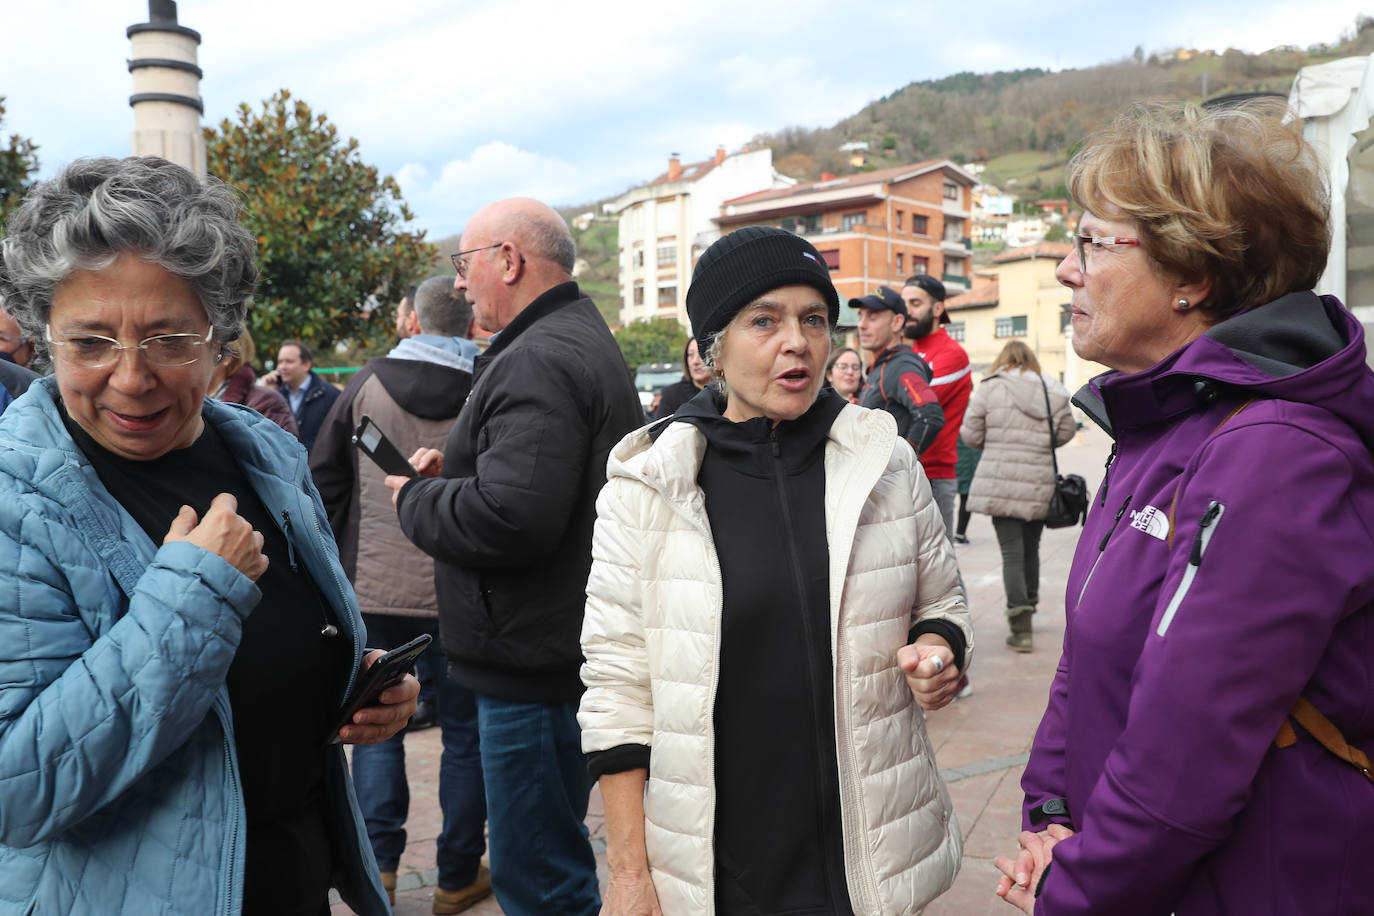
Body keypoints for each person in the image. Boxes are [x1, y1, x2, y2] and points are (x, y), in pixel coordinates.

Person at [0, 155, 416, 916]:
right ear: (41, 338)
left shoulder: (268, 456)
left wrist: (359, 683)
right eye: (90, 342)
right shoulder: (12, 501)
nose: (131, 377)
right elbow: (16, 792)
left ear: (222, 338)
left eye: (169, 338)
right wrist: (190, 598)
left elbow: (270, 661)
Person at [994, 102, 1374, 916]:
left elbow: (1188, 749)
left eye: (1094, 242)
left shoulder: (1272, 451)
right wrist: (1052, 817)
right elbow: (1087, 657)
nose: (1067, 268)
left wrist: (1081, 885)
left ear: (1193, 277)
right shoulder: (1160, 427)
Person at [579, 225, 971, 916]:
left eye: (813, 319)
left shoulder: (884, 463)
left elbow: (941, 603)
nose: (798, 341)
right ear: (712, 350)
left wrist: (938, 653)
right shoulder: (647, 488)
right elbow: (617, 691)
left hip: (866, 857)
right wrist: (630, 874)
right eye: (765, 320)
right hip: (723, 865)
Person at [389, 197, 643, 916]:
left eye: (464, 264)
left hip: (531, 662)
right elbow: (534, 487)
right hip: (550, 646)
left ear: (509, 259)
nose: (461, 284)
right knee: (547, 856)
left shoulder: (539, 356)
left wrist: (414, 499)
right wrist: (460, 480)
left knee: (538, 878)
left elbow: (511, 518)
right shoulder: (566, 338)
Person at [311, 274, 490, 914]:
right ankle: (458, 876)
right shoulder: (492, 381)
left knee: (375, 726)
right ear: (470, 321)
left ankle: (379, 871)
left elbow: (323, 478)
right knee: (468, 738)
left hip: (375, 589)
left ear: (412, 319)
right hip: (466, 590)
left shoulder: (364, 385)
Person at [959, 341, 1074, 653]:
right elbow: (1065, 433)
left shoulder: (989, 388)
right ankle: (1030, 605)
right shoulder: (1052, 390)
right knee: (1030, 549)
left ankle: (1020, 628)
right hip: (1039, 480)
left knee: (1011, 553)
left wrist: (997, 444)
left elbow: (970, 435)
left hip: (1001, 484)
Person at [902, 274, 972, 543]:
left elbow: (913, 404)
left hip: (933, 476)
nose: (906, 310)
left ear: (938, 308)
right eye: (904, 302)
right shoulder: (907, 351)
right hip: (905, 473)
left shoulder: (952, 353)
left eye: (915, 302)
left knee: (941, 574)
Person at [853, 285, 944, 458]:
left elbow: (930, 416)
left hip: (891, 482)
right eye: (860, 316)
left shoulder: (901, 366)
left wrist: (900, 463)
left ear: (897, 322)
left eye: (872, 317)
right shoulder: (883, 365)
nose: (862, 325)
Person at [209, 327, 299, 436]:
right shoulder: (195, 399)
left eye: (205, 348)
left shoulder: (267, 402)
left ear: (226, 356)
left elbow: (281, 451)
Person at [262, 339, 341, 452]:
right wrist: (267, 395)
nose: (282, 367)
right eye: (280, 362)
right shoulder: (275, 394)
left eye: (289, 361)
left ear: (306, 365)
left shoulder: (330, 395)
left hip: (316, 467)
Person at [651, 336, 711, 419]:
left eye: (701, 354)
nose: (695, 361)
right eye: (690, 355)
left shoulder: (727, 394)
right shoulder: (671, 395)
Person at [952, 435, 980, 544]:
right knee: (966, 494)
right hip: (968, 454)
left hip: (952, 450)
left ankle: (948, 533)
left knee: (944, 496)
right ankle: (960, 534)